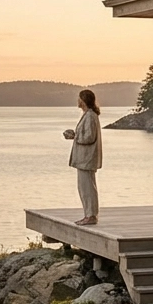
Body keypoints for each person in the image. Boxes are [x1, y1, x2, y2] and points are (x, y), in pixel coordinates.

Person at [63, 89, 103, 225]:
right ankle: (88, 214)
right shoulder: (88, 115)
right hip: (84, 159)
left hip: (87, 158)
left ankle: (91, 216)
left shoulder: (90, 116)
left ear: (84, 100)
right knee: (84, 188)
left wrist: (75, 136)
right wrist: (74, 135)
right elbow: (86, 135)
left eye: (79, 98)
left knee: (87, 188)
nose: (77, 101)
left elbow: (89, 137)